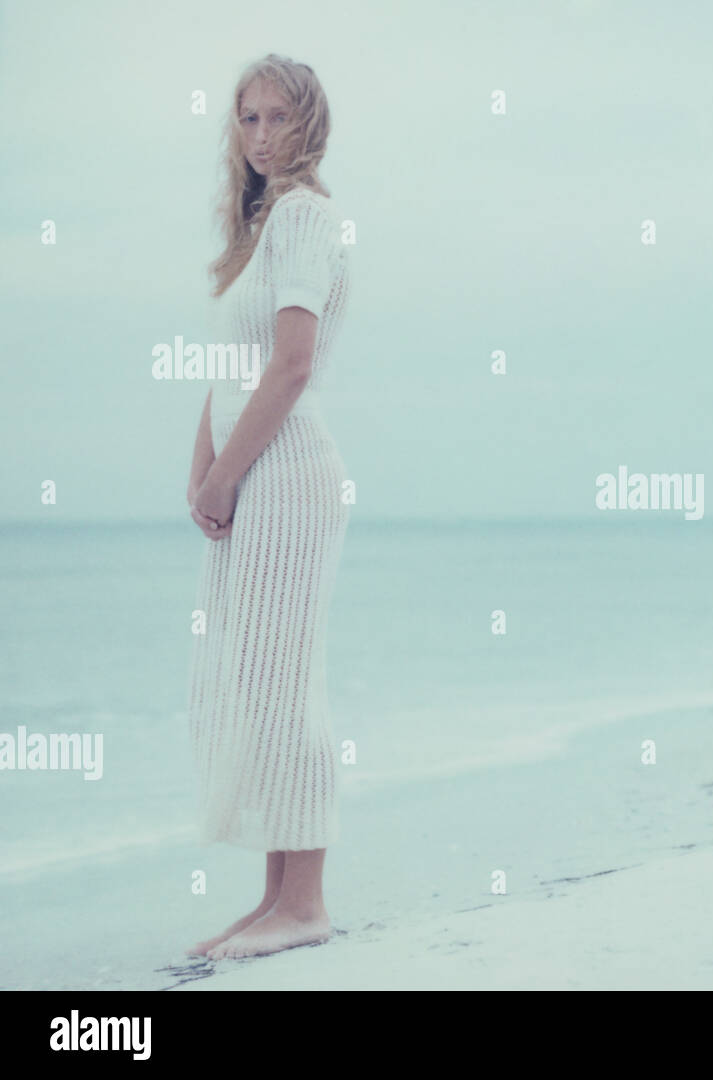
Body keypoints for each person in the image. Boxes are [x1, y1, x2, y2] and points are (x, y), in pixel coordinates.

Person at [185, 53, 351, 961]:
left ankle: (309, 904)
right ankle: (275, 898)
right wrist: (201, 462)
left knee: (291, 684)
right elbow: (231, 365)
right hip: (250, 471)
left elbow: (289, 366)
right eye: (245, 118)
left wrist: (227, 478)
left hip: (286, 478)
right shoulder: (257, 229)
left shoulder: (307, 217)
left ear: (309, 124)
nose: (259, 136)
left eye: (276, 118)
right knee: (260, 680)